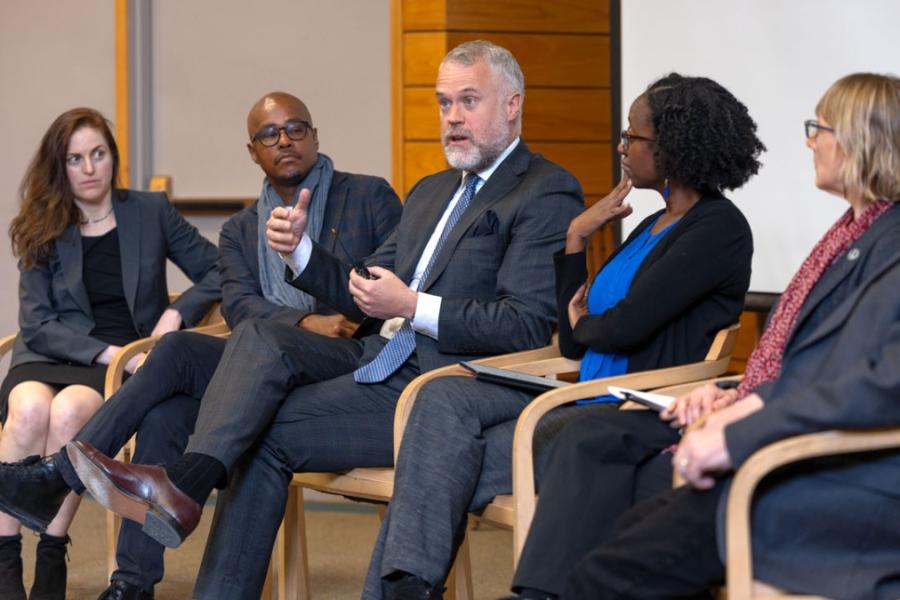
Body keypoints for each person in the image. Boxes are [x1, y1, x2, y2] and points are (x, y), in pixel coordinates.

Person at [0, 40, 584, 599]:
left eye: (468, 101)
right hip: (370, 360)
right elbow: (363, 289)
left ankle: (174, 488)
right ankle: (72, 476)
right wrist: (301, 253)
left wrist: (414, 307)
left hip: (438, 390)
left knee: (259, 431)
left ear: (512, 105)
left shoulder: (544, 189)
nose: (451, 117)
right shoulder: (433, 191)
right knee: (196, 349)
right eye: (442, 102)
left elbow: (526, 325)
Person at [362, 73, 763, 599]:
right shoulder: (651, 225)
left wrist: (586, 324)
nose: (622, 146)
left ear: (670, 148)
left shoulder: (718, 229)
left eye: (632, 137)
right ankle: (404, 589)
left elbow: (622, 327)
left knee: (435, 468)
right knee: (440, 402)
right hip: (575, 393)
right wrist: (576, 238)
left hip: (627, 407)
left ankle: (400, 592)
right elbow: (576, 341)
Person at [0, 92, 402, 600]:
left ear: (316, 136)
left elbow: (388, 281)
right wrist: (303, 320)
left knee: (253, 337)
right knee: (171, 382)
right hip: (263, 361)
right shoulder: (240, 229)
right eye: (268, 134)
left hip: (348, 360)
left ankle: (61, 476)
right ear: (252, 152)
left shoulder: (368, 196)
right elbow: (239, 305)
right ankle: (130, 582)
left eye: (296, 128)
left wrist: (313, 286)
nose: (284, 140)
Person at [560, 72, 900, 600]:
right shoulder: (854, 236)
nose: (810, 140)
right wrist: (737, 398)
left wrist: (740, 424)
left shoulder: (885, 244)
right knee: (613, 551)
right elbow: (820, 370)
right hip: (792, 451)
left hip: (836, 481)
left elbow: (876, 386)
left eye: (821, 128)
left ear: (865, 139)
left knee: (607, 571)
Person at [0, 108, 220, 600]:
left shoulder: (150, 210)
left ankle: (52, 550)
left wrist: (177, 313)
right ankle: (6, 556)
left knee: (71, 411)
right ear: (61, 166)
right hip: (52, 352)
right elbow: (37, 322)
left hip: (119, 365)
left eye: (98, 154)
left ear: (112, 157)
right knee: (30, 408)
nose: (89, 167)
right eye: (76, 158)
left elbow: (219, 267)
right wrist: (107, 352)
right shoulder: (39, 223)